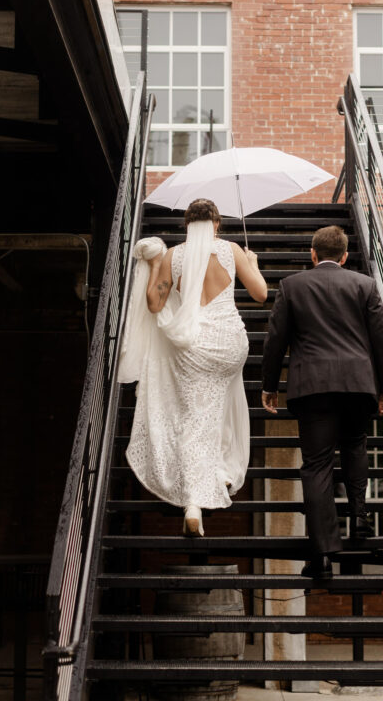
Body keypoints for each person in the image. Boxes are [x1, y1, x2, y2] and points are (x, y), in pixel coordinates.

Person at [117, 198, 267, 537]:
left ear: (187, 225)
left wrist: (156, 264)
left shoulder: (175, 255)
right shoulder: (232, 250)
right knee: (215, 407)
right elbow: (260, 294)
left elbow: (155, 305)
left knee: (193, 418)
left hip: (193, 348)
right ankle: (220, 473)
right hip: (230, 345)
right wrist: (253, 264)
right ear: (216, 223)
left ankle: (193, 503)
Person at [261, 225, 383, 580]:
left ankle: (322, 554)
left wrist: (269, 385)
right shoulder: (365, 285)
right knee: (355, 445)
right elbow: (380, 340)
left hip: (313, 387)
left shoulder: (291, 287)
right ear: (346, 256)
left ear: (313, 254)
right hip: (357, 383)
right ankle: (360, 516)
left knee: (317, 466)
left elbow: (276, 340)